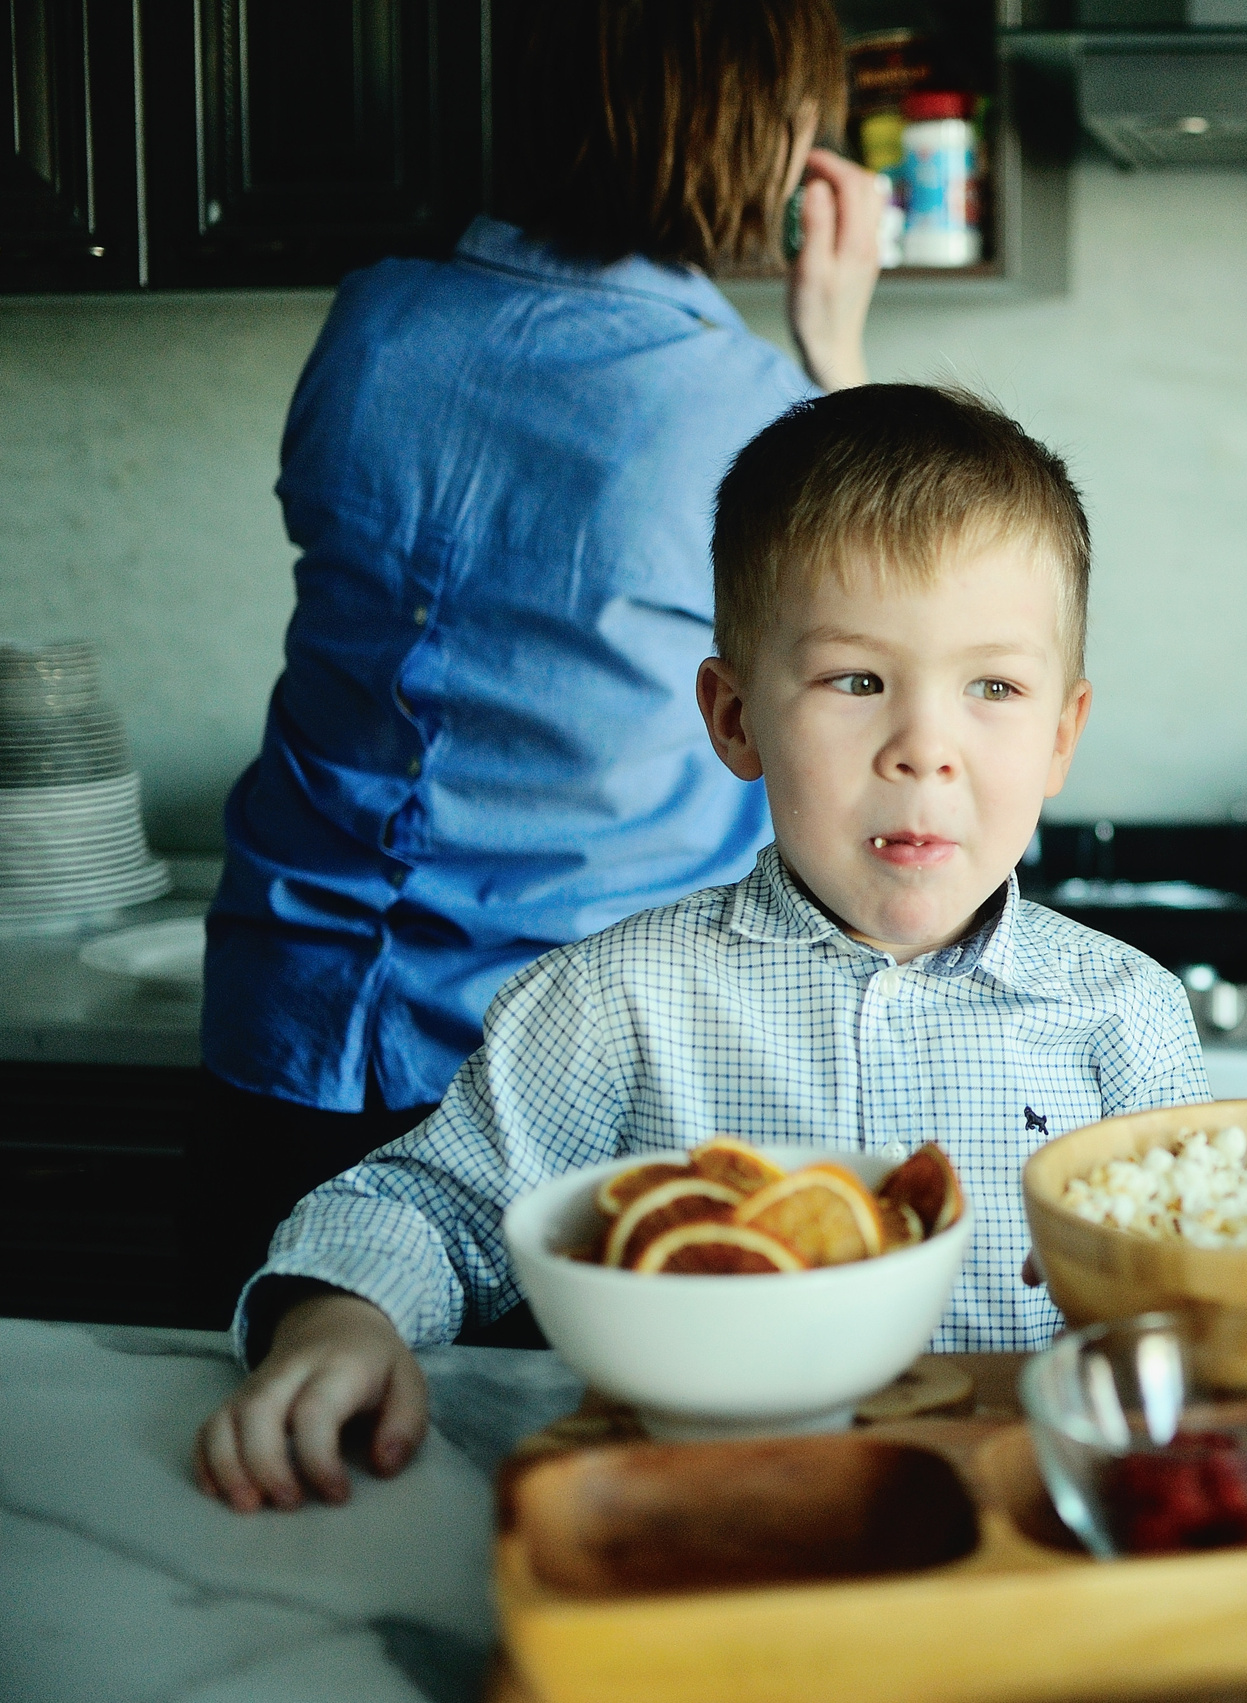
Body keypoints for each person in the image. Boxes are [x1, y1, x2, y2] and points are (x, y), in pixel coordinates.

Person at [193, 386, 1211, 1513]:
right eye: (856, 680)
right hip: (704, 1526)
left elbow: (1197, 1304)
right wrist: (336, 1314)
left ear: (1061, 732)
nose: (925, 748)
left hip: (1021, 1547)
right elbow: (425, 1205)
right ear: (734, 718)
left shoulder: (1125, 1017)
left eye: (993, 687)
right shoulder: (614, 1001)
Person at [189, 0, 893, 1323]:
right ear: (769, 138)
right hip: (555, 1082)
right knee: (534, 1480)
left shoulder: (372, 323)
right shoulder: (748, 411)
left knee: (274, 1473)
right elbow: (898, 680)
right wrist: (838, 347)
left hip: (285, 1030)